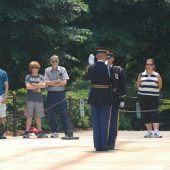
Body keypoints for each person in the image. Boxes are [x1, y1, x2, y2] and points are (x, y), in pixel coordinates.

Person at [85, 48, 113, 151]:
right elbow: (113, 82)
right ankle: (103, 146)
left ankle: (97, 146)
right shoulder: (109, 68)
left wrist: (89, 66)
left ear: (96, 56)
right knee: (104, 122)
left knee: (96, 122)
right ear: (105, 56)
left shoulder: (92, 67)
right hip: (105, 95)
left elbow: (86, 77)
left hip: (94, 95)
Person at [136, 58, 162, 138]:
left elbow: (160, 86)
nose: (148, 66)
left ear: (153, 66)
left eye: (150, 64)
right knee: (145, 113)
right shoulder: (141, 74)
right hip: (142, 97)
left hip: (154, 97)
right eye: (147, 64)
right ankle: (149, 132)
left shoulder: (157, 75)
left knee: (154, 113)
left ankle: (156, 132)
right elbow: (138, 85)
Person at [45, 55, 69, 138]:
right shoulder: (47, 70)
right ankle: (54, 132)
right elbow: (46, 83)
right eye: (53, 61)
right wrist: (58, 81)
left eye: (56, 61)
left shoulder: (63, 69)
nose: (54, 62)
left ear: (58, 61)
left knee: (64, 113)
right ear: (50, 62)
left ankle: (67, 132)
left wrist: (52, 82)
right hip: (51, 94)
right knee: (51, 114)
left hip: (61, 94)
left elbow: (64, 82)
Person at [107, 51, 126, 150]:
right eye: (106, 58)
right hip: (104, 96)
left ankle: (111, 143)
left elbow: (122, 85)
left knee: (113, 120)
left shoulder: (118, 70)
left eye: (109, 58)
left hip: (115, 97)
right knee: (104, 121)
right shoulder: (102, 69)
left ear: (113, 59)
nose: (108, 60)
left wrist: (122, 98)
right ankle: (103, 141)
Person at [23, 61, 47, 138]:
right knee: (29, 116)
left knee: (38, 116)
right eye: (33, 67)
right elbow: (28, 87)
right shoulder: (28, 76)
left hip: (39, 99)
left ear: (38, 68)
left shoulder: (41, 76)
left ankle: (40, 131)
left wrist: (33, 84)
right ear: (31, 68)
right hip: (30, 99)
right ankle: (26, 132)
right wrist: (38, 85)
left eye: (36, 67)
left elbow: (43, 85)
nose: (35, 69)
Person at [0, 68, 9, 139]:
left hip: (1, 96)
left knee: (2, 116)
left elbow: (6, 85)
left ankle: (2, 133)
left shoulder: (3, 72)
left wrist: (5, 97)